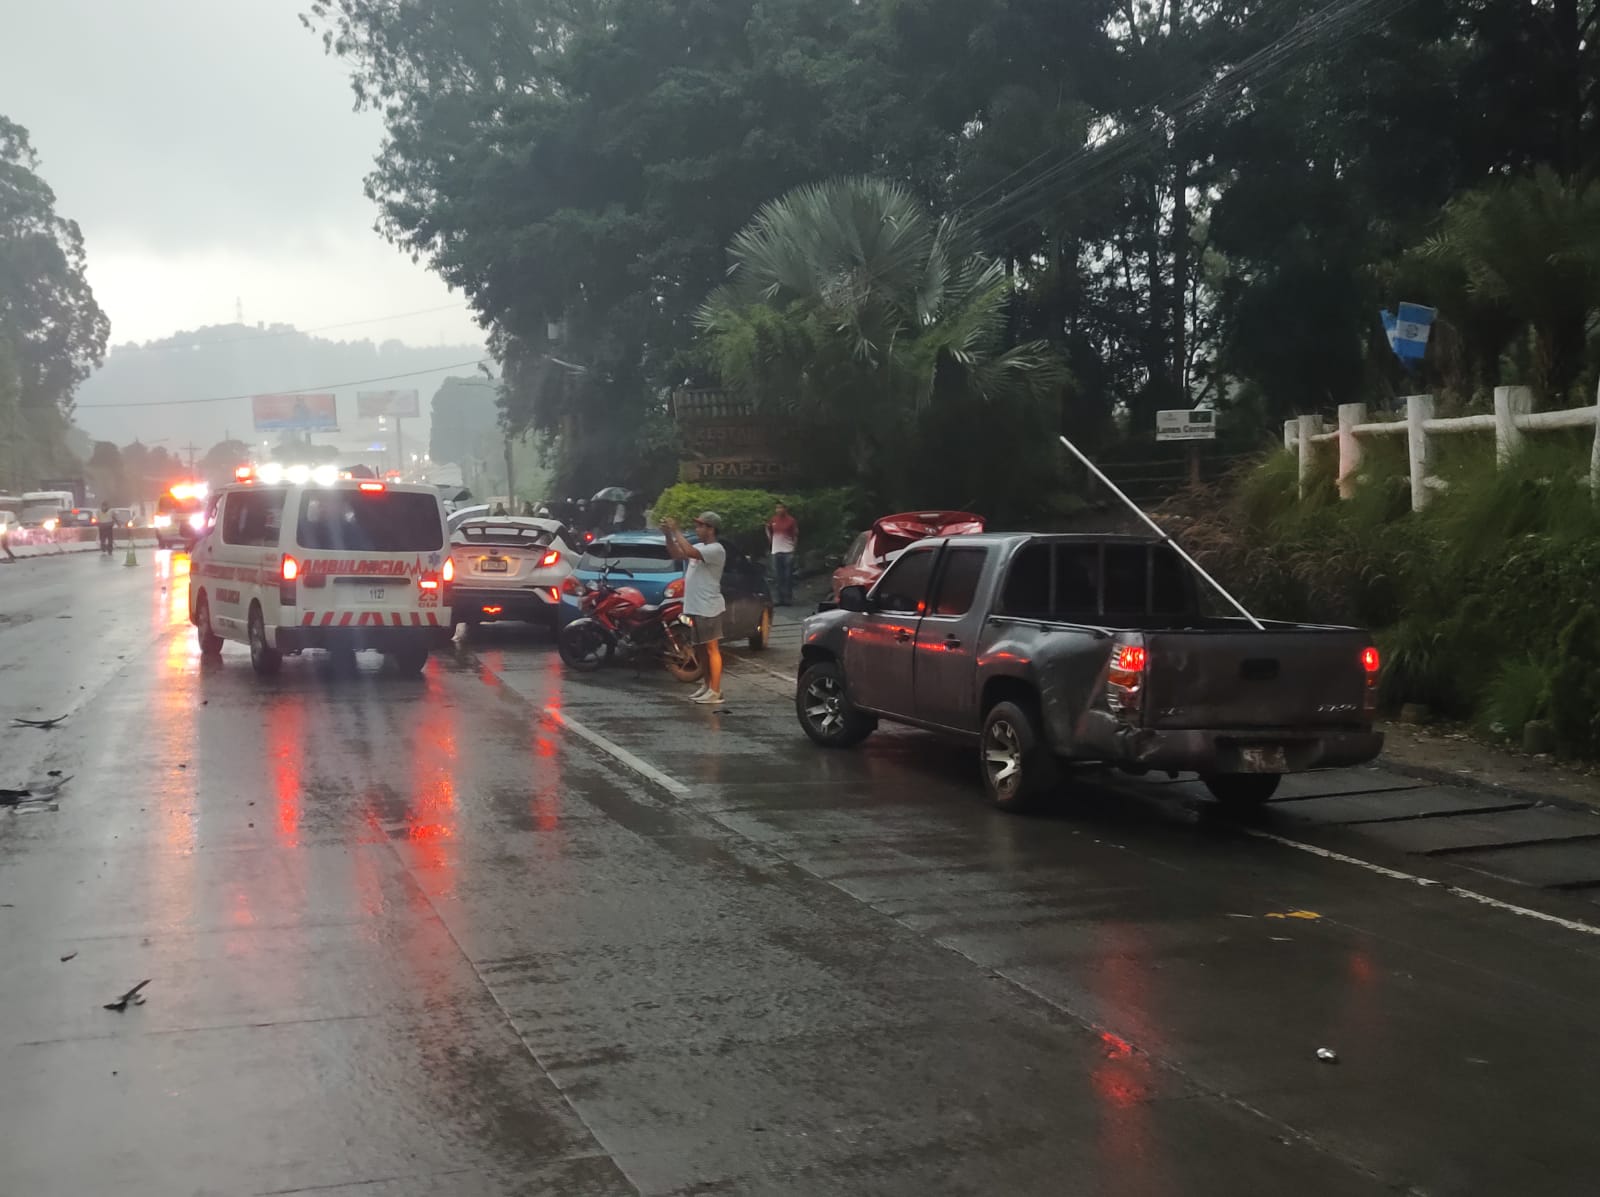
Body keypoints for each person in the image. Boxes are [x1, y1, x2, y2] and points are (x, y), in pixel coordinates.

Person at [662, 511, 727, 705]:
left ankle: (715, 690)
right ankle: (707, 686)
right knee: (700, 650)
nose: (697, 529)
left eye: (701, 526)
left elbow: (689, 552)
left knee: (711, 648)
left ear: (711, 529)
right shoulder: (699, 547)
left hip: (709, 606)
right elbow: (676, 553)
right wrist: (668, 535)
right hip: (696, 605)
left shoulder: (716, 549)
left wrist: (676, 530)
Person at [765, 502, 799, 606]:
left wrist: (793, 549)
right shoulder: (774, 520)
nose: (778, 510)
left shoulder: (791, 521)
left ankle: (788, 598)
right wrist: (770, 539)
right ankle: (779, 598)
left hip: (787, 550)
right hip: (776, 550)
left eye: (780, 508)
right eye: (777, 508)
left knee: (787, 576)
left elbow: (795, 535)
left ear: (785, 509)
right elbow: (767, 527)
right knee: (777, 576)